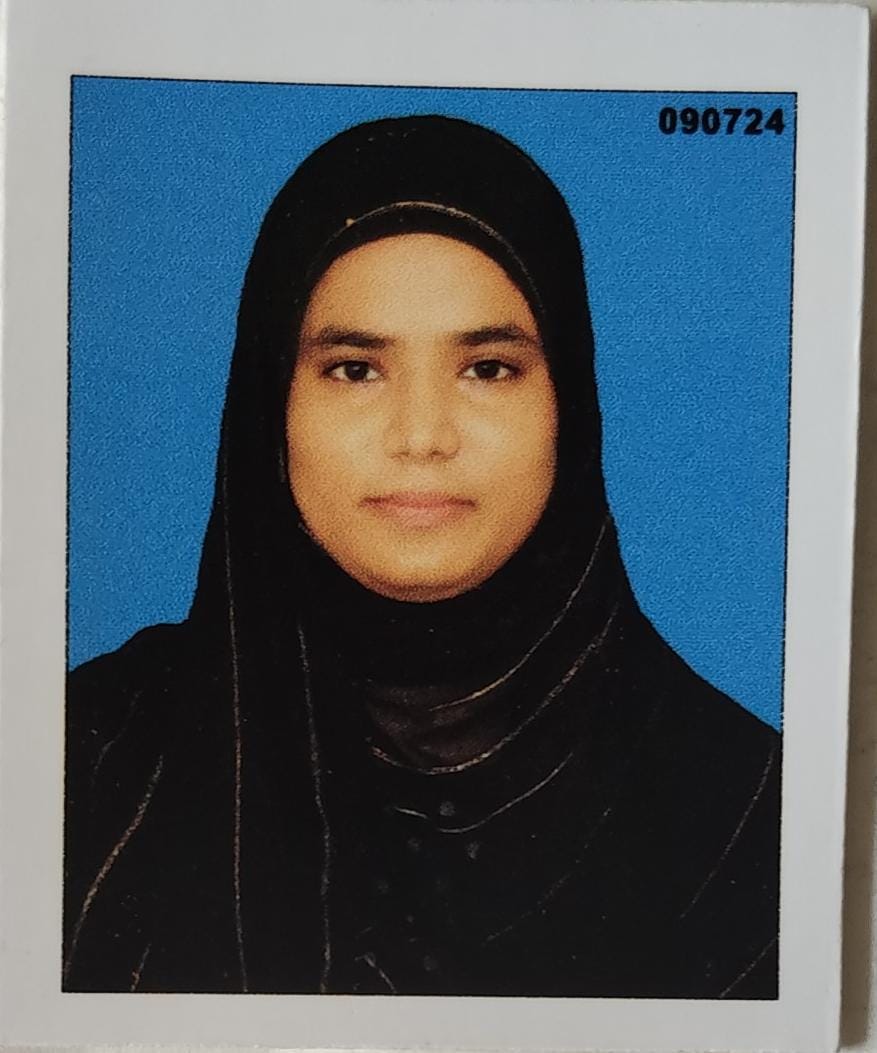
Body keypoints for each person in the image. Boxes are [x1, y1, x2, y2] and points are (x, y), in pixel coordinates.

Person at [63, 115, 781, 997]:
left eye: (488, 368)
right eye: (354, 369)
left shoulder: (751, 817)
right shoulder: (85, 762)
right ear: (270, 407)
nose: (421, 436)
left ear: (568, 405)